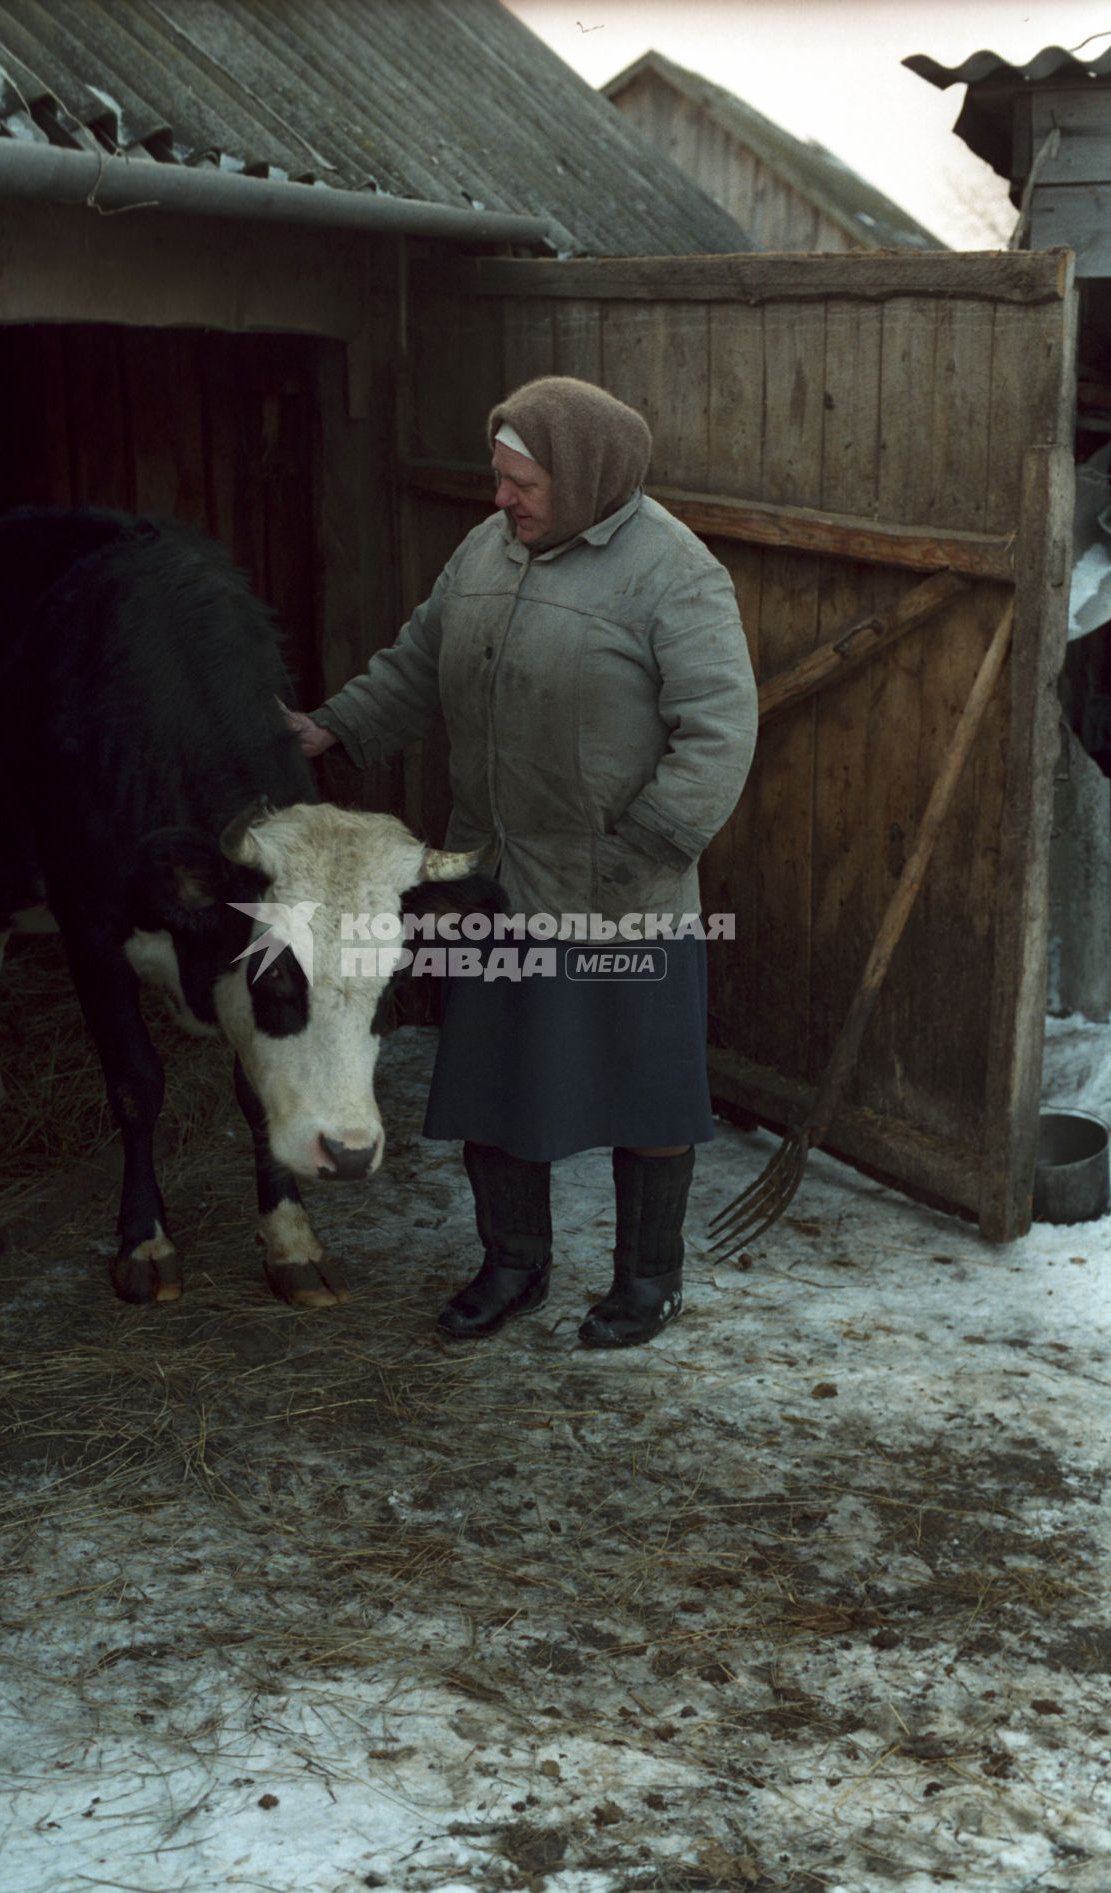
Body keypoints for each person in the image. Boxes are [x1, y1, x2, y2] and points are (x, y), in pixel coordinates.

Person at [285, 376, 757, 1348]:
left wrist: (648, 849)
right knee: (495, 1080)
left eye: (520, 483)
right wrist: (334, 730)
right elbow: (420, 659)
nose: (501, 499)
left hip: (619, 888)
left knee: (643, 1085)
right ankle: (511, 1264)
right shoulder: (487, 550)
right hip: (493, 878)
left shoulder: (673, 572)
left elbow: (717, 728)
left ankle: (647, 1281)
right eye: (497, 480)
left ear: (583, 476)